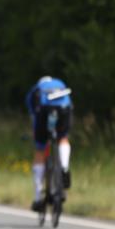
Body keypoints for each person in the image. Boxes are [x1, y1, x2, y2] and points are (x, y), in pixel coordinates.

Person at [25, 75, 73, 211]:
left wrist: (37, 135)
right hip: (64, 109)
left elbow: (33, 113)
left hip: (44, 112)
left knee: (40, 150)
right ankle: (64, 166)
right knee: (63, 138)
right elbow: (70, 104)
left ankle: (38, 197)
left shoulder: (36, 89)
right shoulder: (60, 84)